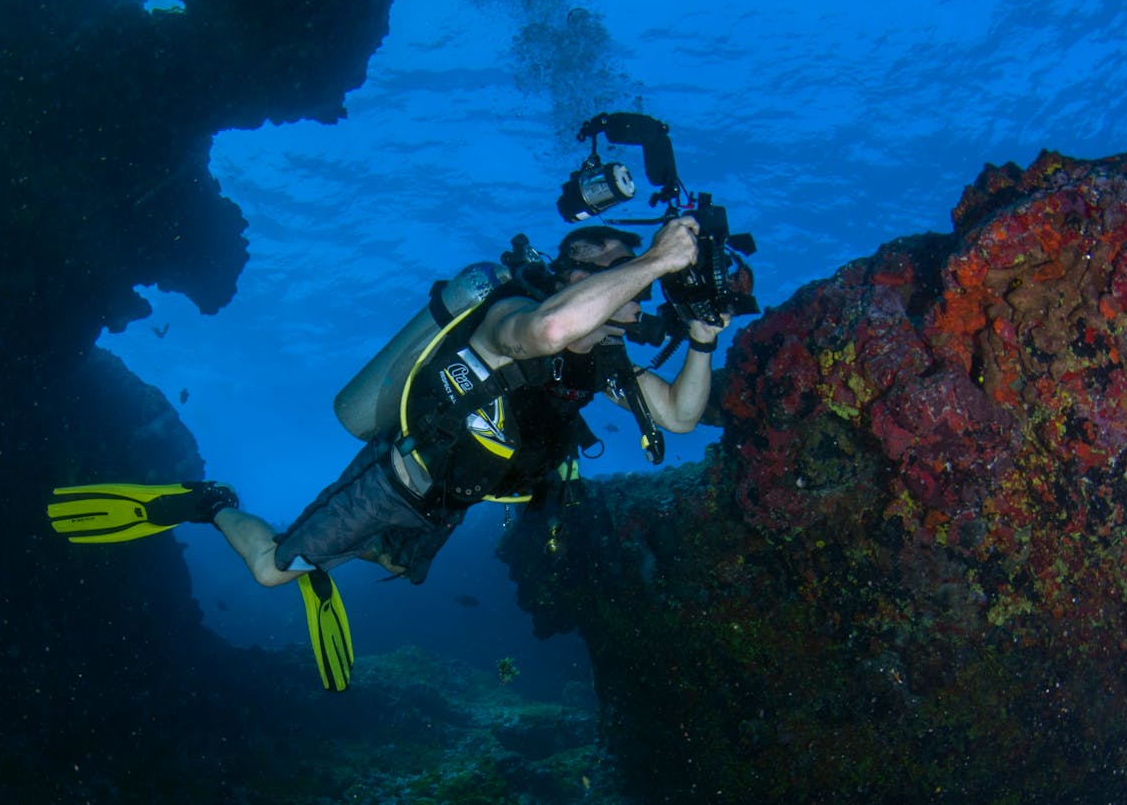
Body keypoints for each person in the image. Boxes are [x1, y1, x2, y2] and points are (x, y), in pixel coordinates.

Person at [48, 217, 728, 690]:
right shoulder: (513, 314)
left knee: (386, 562)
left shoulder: (599, 360)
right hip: (393, 481)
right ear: (575, 279)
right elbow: (547, 329)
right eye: (619, 276)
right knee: (268, 572)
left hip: (445, 506)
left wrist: (700, 340)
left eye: (636, 279)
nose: (640, 292)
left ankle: (329, 561)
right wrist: (658, 259)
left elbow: (678, 413)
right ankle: (213, 503)